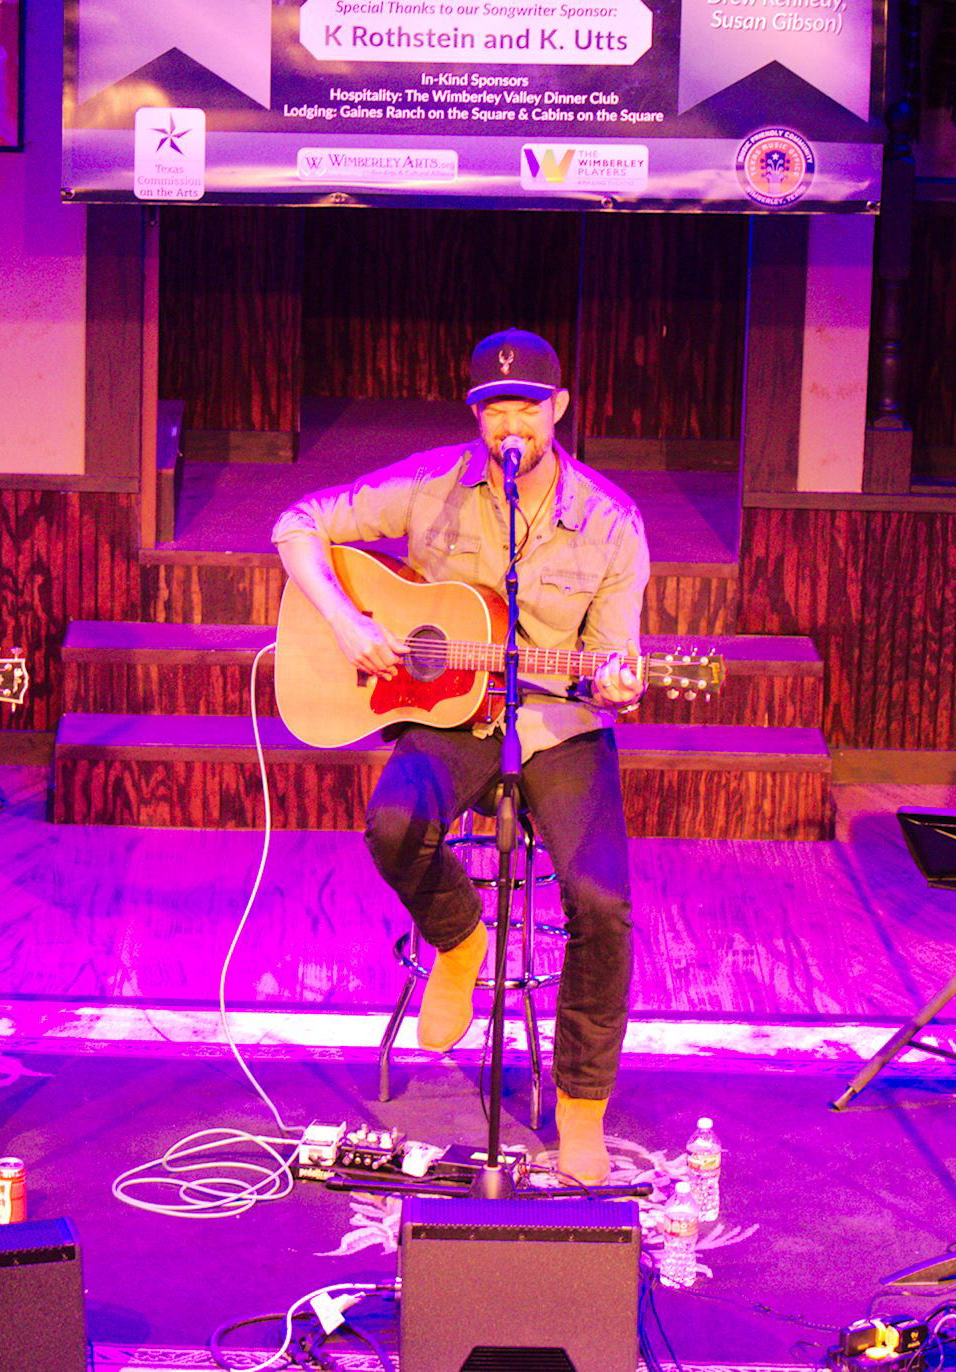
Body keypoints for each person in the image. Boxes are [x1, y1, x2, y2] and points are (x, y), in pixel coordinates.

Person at [272, 328, 650, 1182]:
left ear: (558, 409)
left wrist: (617, 684)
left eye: (525, 407)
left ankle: (580, 1108)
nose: (508, 423)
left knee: (602, 902)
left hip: (558, 725)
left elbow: (613, 658)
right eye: (492, 409)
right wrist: (349, 621)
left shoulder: (611, 520)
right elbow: (298, 523)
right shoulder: (430, 486)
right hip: (444, 716)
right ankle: (458, 938)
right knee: (394, 822)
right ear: (476, 415)